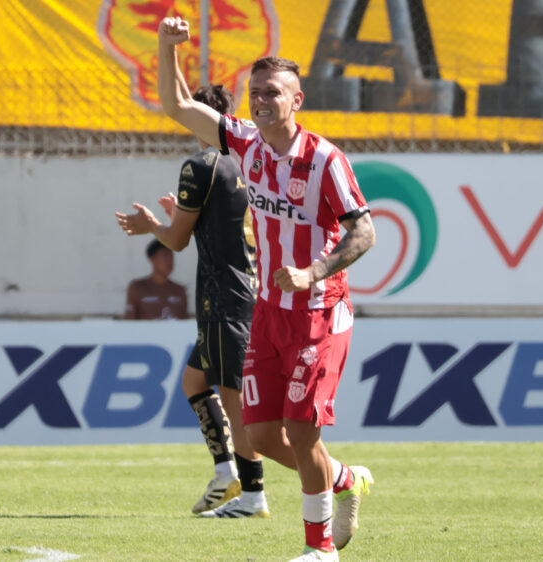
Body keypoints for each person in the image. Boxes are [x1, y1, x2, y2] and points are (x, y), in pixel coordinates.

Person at [155, 17, 377, 562]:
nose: (259, 101)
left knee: (301, 431)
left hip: (319, 313)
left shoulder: (325, 160)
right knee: (257, 439)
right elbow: (179, 108)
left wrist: (314, 272)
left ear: (296, 100)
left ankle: (320, 549)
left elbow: (364, 230)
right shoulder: (247, 144)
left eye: (272, 93)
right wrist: (166, 49)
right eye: (254, 92)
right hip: (268, 312)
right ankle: (344, 478)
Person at [115, 84, 269, 519]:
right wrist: (179, 217)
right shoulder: (251, 161)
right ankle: (225, 474)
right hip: (247, 290)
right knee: (194, 382)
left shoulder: (202, 164)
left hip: (223, 297)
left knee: (232, 398)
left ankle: (254, 495)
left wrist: (152, 225)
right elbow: (217, 223)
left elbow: (176, 241)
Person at [124, 239, 188, 320]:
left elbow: (185, 324)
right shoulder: (137, 288)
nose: (169, 261)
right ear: (152, 259)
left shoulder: (180, 290)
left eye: (171, 256)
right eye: (165, 256)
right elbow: (129, 323)